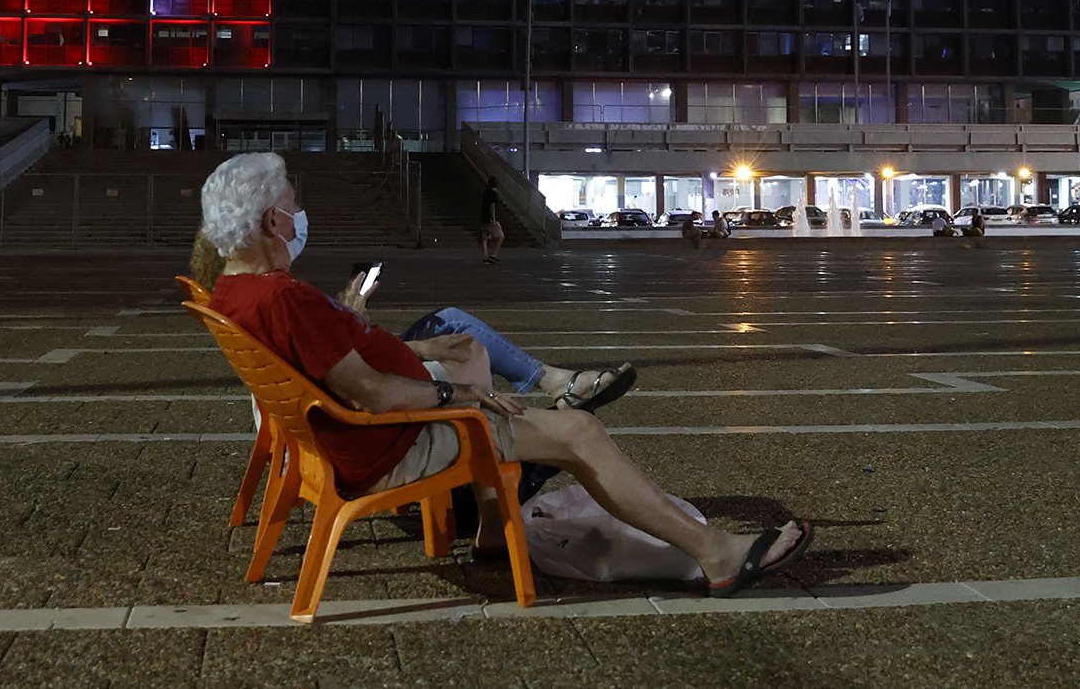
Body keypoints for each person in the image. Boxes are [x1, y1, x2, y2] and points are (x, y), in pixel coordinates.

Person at [200, 153, 812, 596]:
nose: (301, 213)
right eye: (293, 203)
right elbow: (373, 391)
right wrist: (458, 395)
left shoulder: (234, 290)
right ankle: (715, 554)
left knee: (473, 356)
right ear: (271, 221)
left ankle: (497, 524)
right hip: (389, 442)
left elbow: (351, 368)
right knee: (579, 432)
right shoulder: (282, 298)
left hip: (346, 438)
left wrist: (426, 355)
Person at [188, 230, 636, 414]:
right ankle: (548, 390)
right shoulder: (274, 296)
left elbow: (323, 344)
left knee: (449, 321)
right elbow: (350, 372)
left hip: (348, 361)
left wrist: (348, 311)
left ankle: (553, 381)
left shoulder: (243, 292)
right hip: (362, 385)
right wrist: (360, 319)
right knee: (463, 341)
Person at [480, 175, 505, 265]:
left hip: (483, 217)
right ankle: (493, 254)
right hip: (490, 219)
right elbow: (492, 206)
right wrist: (494, 219)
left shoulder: (485, 192)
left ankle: (485, 255)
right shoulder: (493, 194)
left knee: (484, 237)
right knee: (501, 236)